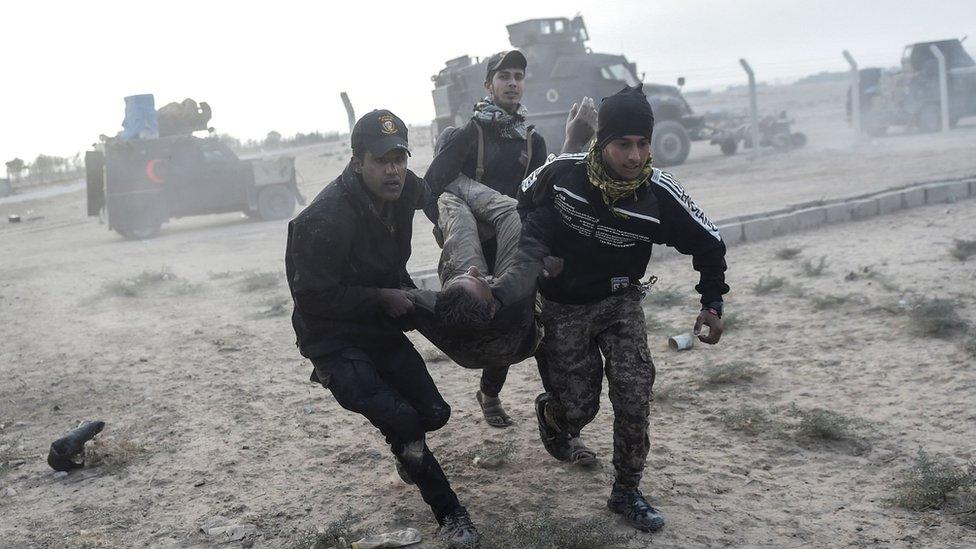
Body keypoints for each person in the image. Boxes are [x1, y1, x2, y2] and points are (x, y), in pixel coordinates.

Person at [515, 85, 730, 532]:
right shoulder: (564, 173)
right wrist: (540, 254)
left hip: (619, 303)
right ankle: (553, 415)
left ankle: (627, 491)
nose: (634, 156)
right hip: (563, 307)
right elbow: (526, 202)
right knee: (579, 409)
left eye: (643, 144)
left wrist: (712, 303)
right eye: (623, 144)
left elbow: (709, 244)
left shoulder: (658, 194)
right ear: (602, 142)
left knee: (634, 394)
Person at [284, 110, 479, 547]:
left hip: (378, 324)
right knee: (403, 420)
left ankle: (406, 453)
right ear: (357, 162)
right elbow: (311, 297)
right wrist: (379, 297)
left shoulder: (404, 187)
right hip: (331, 337)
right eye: (380, 161)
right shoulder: (324, 218)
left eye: (399, 158)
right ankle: (451, 514)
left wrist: (471, 248)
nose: (393, 170)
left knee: (434, 413)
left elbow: (438, 199)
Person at [423, 49, 595, 428]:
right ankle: (490, 393)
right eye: (504, 76)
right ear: (489, 85)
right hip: (476, 253)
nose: (512, 83)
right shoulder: (467, 135)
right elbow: (431, 190)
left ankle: (561, 422)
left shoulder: (532, 141)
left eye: (518, 76)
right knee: (494, 327)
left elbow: (543, 197)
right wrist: (467, 222)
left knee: (533, 327)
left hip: (520, 245)